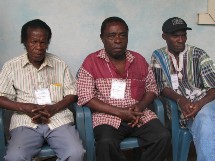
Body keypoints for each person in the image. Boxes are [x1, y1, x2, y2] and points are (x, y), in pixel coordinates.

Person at [77, 16, 170, 161]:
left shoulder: (138, 60)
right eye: (112, 35)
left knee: (162, 136)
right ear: (102, 38)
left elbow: (152, 87)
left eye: (122, 35)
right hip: (107, 116)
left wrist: (140, 105)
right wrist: (120, 113)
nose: (118, 40)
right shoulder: (91, 62)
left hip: (138, 114)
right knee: (106, 143)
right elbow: (85, 96)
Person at [0, 19, 85, 161]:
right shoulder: (11, 67)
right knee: (15, 157)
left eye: (43, 42)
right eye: (33, 42)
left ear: (47, 43)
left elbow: (73, 93)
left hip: (58, 118)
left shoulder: (59, 64)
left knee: (76, 153)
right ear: (24, 42)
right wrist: (23, 106)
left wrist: (54, 108)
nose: (39, 47)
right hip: (25, 121)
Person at [151, 17, 215, 161]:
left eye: (183, 35)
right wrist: (181, 100)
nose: (181, 40)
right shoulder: (159, 56)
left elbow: (213, 87)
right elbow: (161, 86)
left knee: (204, 116)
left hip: (208, 103)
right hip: (184, 110)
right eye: (175, 36)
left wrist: (200, 104)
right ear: (164, 36)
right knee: (204, 120)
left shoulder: (198, 54)